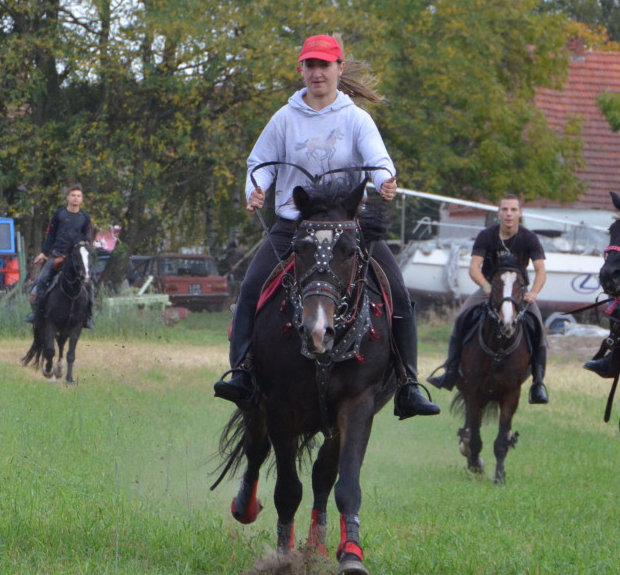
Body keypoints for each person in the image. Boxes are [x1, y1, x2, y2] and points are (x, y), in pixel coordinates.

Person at [212, 34, 440, 420]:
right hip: (293, 227)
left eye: (324, 65)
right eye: (310, 65)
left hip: (348, 229)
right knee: (251, 289)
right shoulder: (283, 118)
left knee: (398, 294)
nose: (317, 73)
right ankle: (243, 375)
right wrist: (256, 189)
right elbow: (259, 163)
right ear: (301, 70)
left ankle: (408, 384)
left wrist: (386, 178)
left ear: (339, 68)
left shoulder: (356, 119)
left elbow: (379, 160)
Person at [426, 194, 549, 404]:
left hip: (518, 291)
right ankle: (450, 370)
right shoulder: (486, 236)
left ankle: (538, 383)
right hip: (491, 288)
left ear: (519, 213)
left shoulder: (529, 238)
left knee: (538, 327)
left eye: (513, 209)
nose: (509, 214)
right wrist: (487, 287)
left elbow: (541, 270)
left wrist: (534, 293)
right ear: (498, 212)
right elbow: (474, 268)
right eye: (505, 209)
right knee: (461, 317)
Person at [24, 185, 95, 329]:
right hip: (57, 255)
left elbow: (87, 237)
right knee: (42, 282)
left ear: (81, 199)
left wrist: (80, 246)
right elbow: (50, 235)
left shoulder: (85, 217)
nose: (75, 198)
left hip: (76, 258)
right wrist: (44, 253)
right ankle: (38, 314)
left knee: (89, 285)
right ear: (68, 197)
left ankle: (88, 317)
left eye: (78, 196)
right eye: (73, 195)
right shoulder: (59, 214)